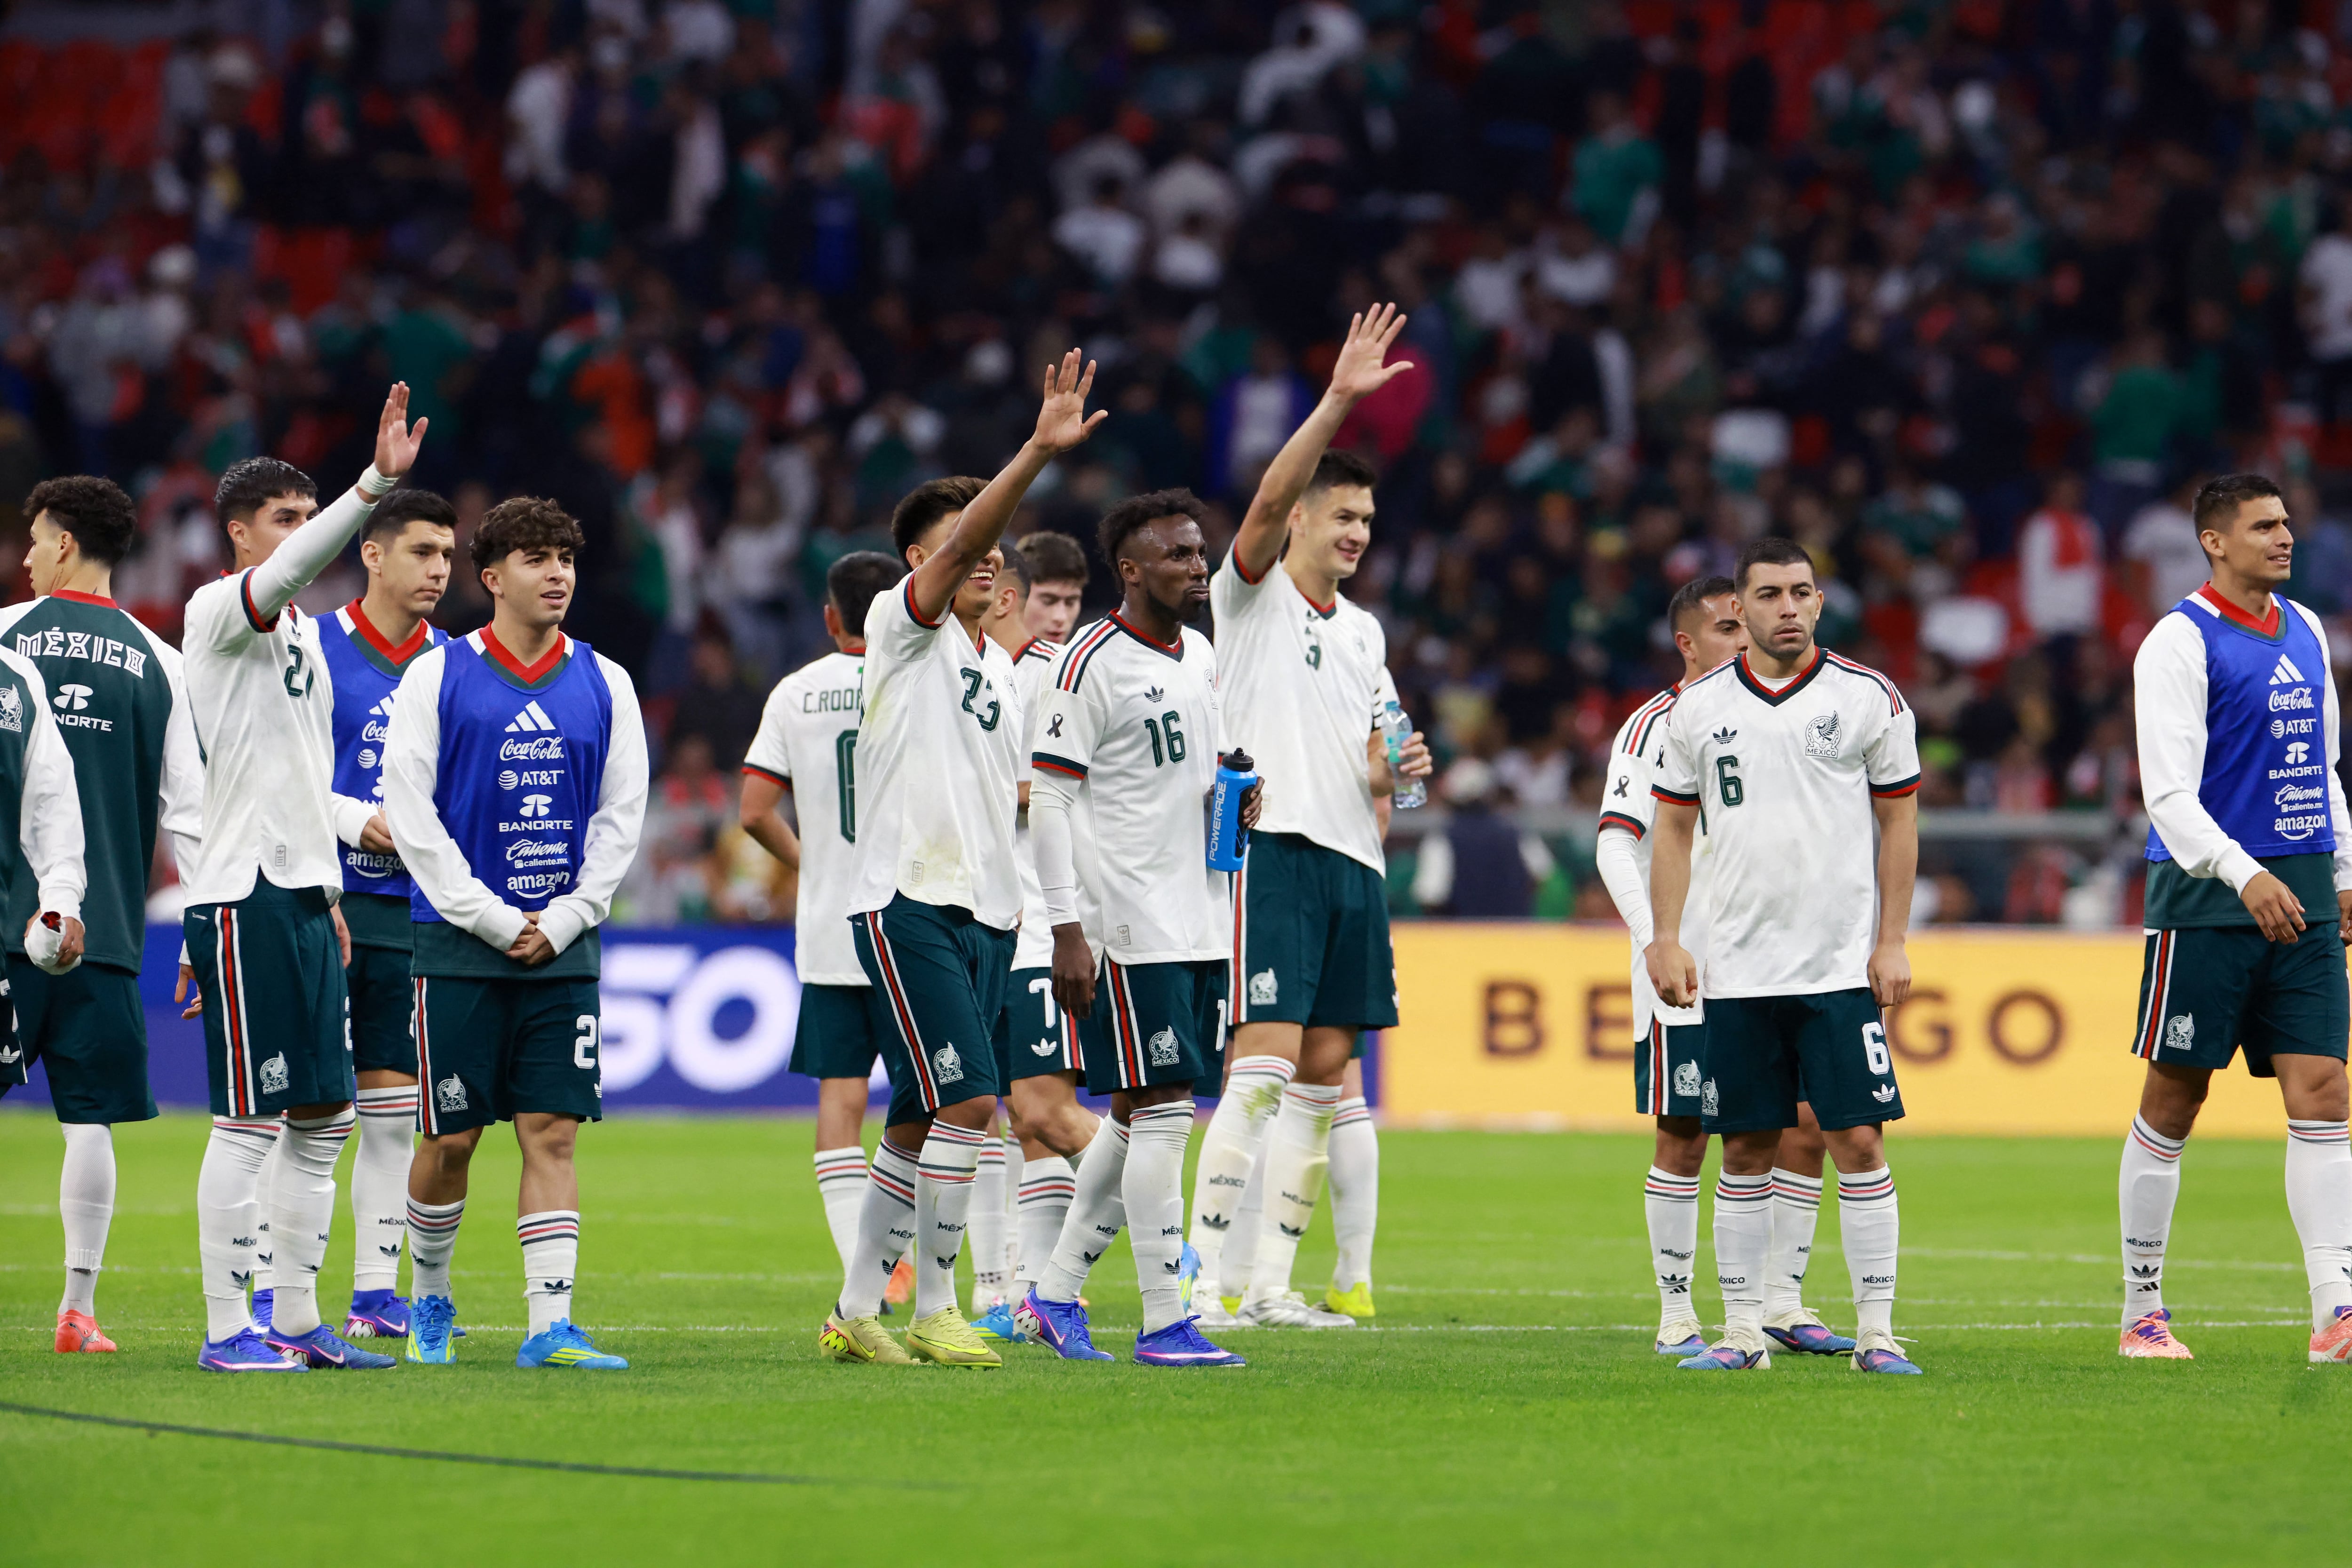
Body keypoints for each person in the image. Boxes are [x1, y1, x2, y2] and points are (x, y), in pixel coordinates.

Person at [818, 350, 1103, 1371]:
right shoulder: (906, 625)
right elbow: (969, 543)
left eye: (993, 550)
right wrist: (1034, 449)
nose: (986, 559)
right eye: (963, 545)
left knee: (912, 1116)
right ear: (918, 564)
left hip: (987, 911)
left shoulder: (1003, 670)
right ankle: (936, 1302)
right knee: (972, 1100)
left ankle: (857, 1307)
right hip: (909, 900)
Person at [1187, 304, 1430, 1330]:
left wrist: (1404, 773)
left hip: (1353, 857)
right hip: (1272, 845)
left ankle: (1271, 1285)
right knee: (1263, 1059)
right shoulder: (1247, 599)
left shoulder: (1367, 632)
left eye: (1367, 523)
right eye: (1341, 518)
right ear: (1298, 522)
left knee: (1326, 1072)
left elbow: (1391, 766)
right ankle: (1197, 1281)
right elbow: (1267, 494)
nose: (1357, 534)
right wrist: (1336, 400)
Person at [179, 385, 425, 1373]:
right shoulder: (218, 611)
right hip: (238, 893)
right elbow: (287, 572)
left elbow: (306, 780)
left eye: (305, 512)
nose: (299, 534)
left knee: (323, 1117)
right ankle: (223, 1326)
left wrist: (328, 893)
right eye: (284, 519)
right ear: (240, 532)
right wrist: (372, 488)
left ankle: (293, 1317)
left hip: (303, 895)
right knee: (248, 1119)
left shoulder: (304, 648)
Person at [381, 496, 649, 1372]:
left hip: (563, 946)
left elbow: (620, 818)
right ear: (491, 578)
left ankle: (550, 1325)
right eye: (538, 558)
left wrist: (568, 915)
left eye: (567, 557)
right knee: (450, 1139)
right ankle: (429, 1298)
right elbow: (411, 817)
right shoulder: (438, 675)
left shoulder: (607, 680)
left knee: (553, 1132)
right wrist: (494, 918)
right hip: (461, 944)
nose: (559, 573)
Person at [1646, 536, 1923, 1375]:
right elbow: (1671, 827)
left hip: (1836, 968)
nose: (1789, 609)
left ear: (1821, 600)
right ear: (1742, 607)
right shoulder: (1695, 711)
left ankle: (1877, 1334)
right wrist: (1666, 933)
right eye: (1770, 596)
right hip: (1735, 968)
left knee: (1861, 1143)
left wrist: (1893, 939)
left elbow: (1901, 820)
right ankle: (1740, 1336)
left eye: (1803, 593)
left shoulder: (1870, 696)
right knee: (1745, 1150)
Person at [1017, 488, 1258, 1367]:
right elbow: (1050, 796)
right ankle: (1164, 1317)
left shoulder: (1198, 653)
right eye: (1179, 555)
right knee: (1164, 1115)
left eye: (1200, 553)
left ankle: (1051, 1293)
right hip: (1129, 921)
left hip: (1200, 915)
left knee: (1134, 1115)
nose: (1198, 567)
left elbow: (1202, 773)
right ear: (1131, 568)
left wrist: (1239, 793)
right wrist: (1065, 927)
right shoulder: (1087, 661)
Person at [2118, 473, 2352, 1364]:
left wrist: (2344, 866)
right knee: (2176, 1098)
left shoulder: (2307, 629)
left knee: (2325, 1091)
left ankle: (2337, 1307)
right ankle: (2143, 1307)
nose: (2284, 537)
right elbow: (2168, 794)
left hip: (2302, 894)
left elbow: (2321, 767)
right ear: (2215, 542)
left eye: (2287, 522)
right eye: (2263, 526)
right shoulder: (2178, 643)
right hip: (2208, 902)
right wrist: (2242, 872)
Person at [1593, 574, 1851, 1360]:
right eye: (1727, 630)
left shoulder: (1793, 709)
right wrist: (1656, 939)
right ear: (1688, 643)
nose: (1747, 640)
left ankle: (1783, 1301)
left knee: (1806, 1127)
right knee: (1686, 1134)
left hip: (1783, 961)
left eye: (1750, 626)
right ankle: (1677, 1310)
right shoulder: (1654, 726)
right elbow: (1615, 841)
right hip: (1691, 967)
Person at [2, 475, 195, 1355]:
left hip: (10, 923)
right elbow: (192, 813)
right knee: (90, 1116)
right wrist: (199, 926)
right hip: (106, 928)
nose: (29, 556)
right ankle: (78, 1311)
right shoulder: (165, 663)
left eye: (38, 540)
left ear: (69, 545)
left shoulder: (4, 638)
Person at [264, 486, 452, 1343]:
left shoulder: (456, 661)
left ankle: (376, 1291)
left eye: (448, 556)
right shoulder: (311, 645)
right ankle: (271, 1285)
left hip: (411, 915)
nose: (439, 571)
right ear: (372, 554)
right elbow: (274, 764)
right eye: (422, 552)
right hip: (320, 902)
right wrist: (351, 816)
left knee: (391, 1115)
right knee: (304, 1113)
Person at [739, 550, 907, 1289]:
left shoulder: (795, 691)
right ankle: (950, 1267)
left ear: (832, 617)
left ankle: (865, 1273)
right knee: (940, 1100)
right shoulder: (918, 675)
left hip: (833, 927)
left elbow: (753, 812)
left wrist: (816, 865)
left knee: (840, 1104)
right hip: (914, 924)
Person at [975, 530, 1102, 1334]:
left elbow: (1067, 790)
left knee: (1051, 1112)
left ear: (1004, 596)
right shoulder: (983, 675)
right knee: (1018, 1120)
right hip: (994, 920)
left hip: (1048, 922)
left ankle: (1179, 1248)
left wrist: (985, 791)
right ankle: (1035, 1295)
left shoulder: (1052, 678)